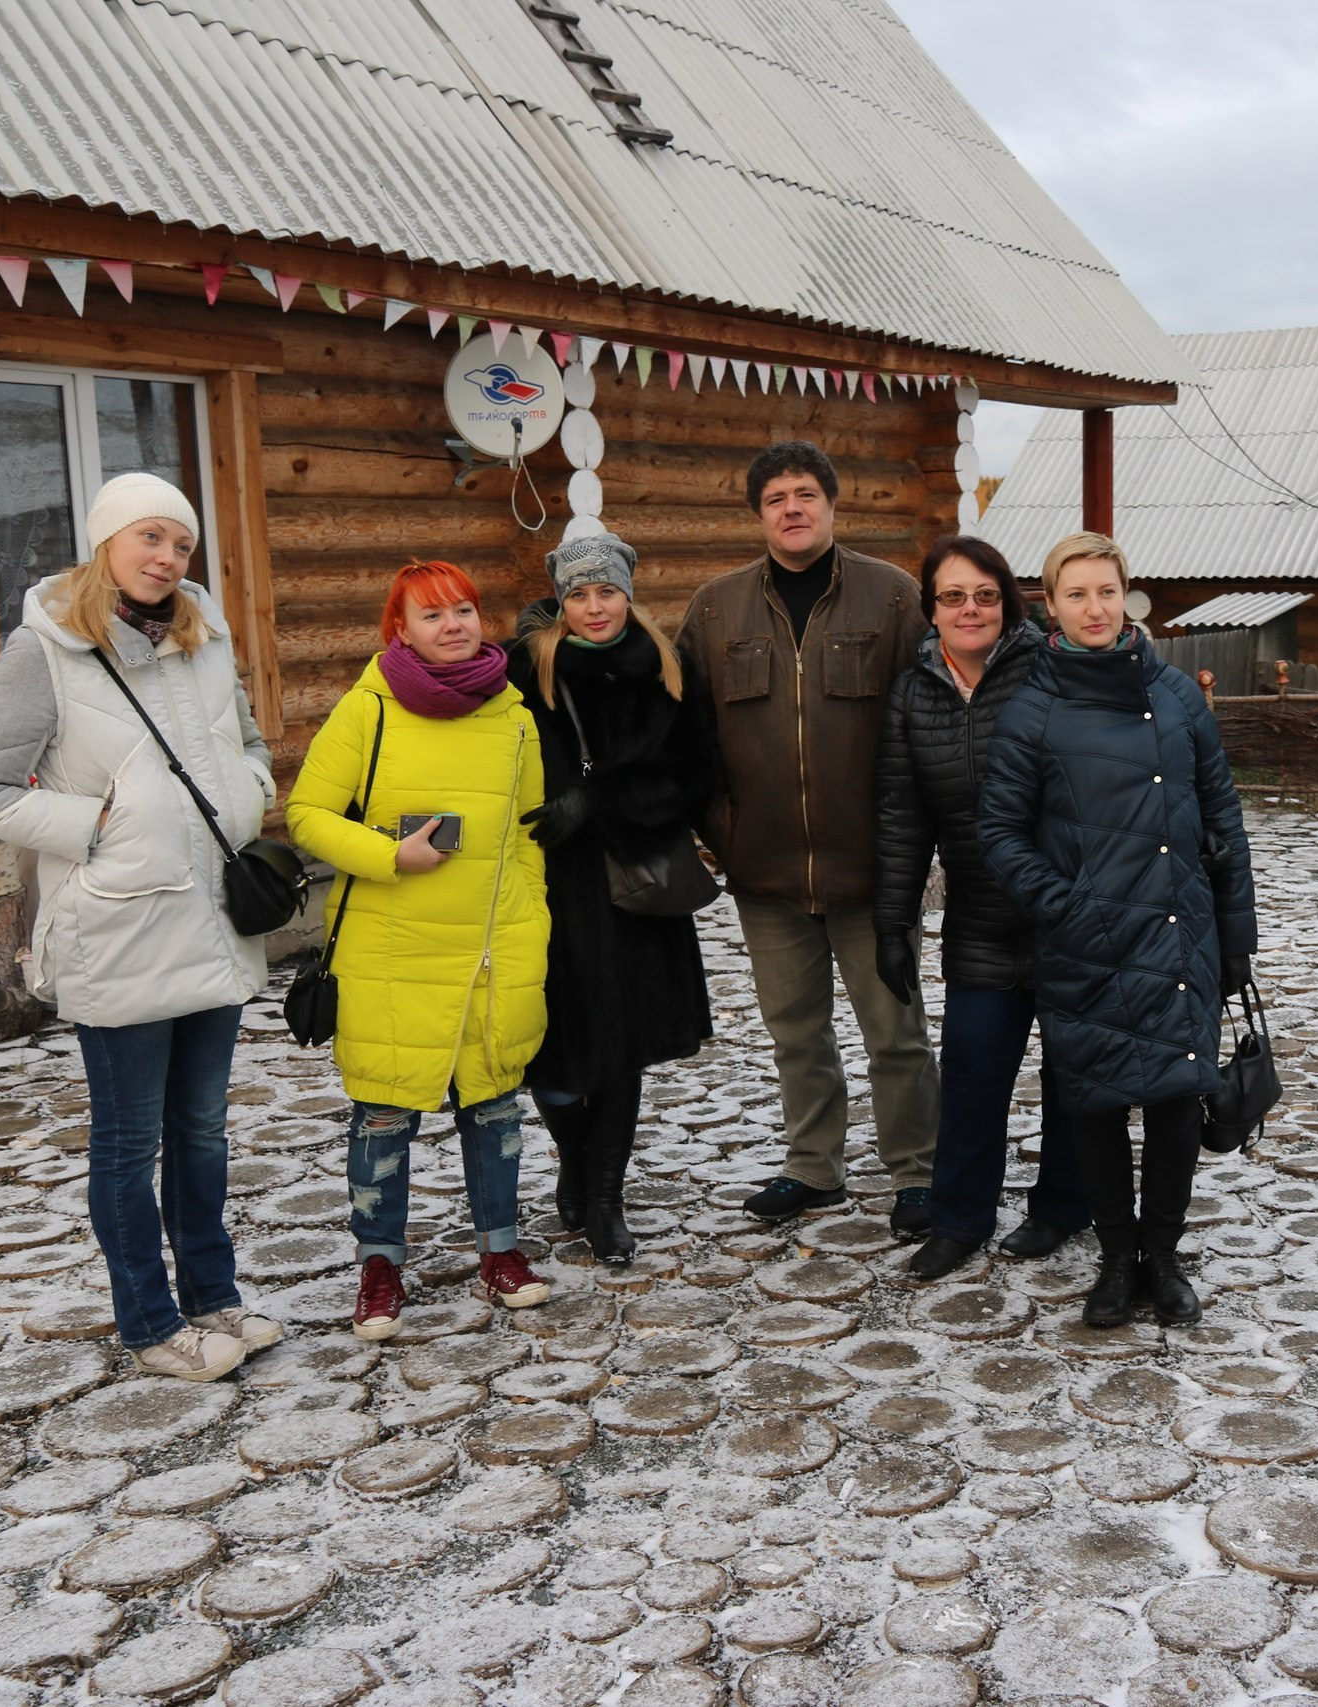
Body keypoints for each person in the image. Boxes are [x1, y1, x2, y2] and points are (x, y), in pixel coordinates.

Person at [0, 473, 279, 1380]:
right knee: (131, 1144)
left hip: (210, 921)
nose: (167, 558)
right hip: (118, 929)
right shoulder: (46, 649)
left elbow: (248, 743)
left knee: (203, 1130)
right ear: (107, 544)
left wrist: (250, 795)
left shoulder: (204, 637)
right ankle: (149, 1321)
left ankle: (214, 1297)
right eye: (150, 539)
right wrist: (95, 827)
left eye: (180, 543)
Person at [981, 533, 1258, 1330]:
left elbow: (1222, 817)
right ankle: (1114, 1260)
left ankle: (1162, 1260)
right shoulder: (1033, 707)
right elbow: (1000, 831)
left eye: (1107, 591)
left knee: (1176, 1105)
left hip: (1180, 933)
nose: (1094, 608)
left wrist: (1235, 933)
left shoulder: (1175, 696)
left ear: (1126, 596)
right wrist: (1062, 904)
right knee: (1095, 1106)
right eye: (1077, 594)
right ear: (1052, 606)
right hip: (1087, 941)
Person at [676, 442, 939, 1235]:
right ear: (758, 514)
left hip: (872, 868)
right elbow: (688, 733)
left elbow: (925, 723)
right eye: (775, 498)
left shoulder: (892, 598)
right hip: (766, 870)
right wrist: (718, 827)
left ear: (832, 504)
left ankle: (917, 1172)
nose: (792, 508)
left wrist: (911, 842)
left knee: (895, 1032)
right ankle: (813, 1167)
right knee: (796, 1031)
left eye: (805, 494)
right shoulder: (716, 609)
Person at [286, 561, 551, 1340]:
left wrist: (528, 916)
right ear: (399, 629)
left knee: (496, 1108)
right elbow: (306, 814)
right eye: (432, 615)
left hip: (488, 951)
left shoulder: (513, 714)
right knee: (382, 1115)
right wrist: (388, 855)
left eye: (464, 609)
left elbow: (528, 831)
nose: (454, 625)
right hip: (391, 948)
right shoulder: (367, 708)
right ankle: (379, 1268)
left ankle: (501, 1253)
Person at [874, 536, 1091, 1281]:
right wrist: (891, 921)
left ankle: (1063, 1205)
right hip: (979, 916)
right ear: (930, 610)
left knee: (1072, 1072)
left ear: (1008, 601)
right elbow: (904, 816)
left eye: (985, 594)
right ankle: (959, 1217)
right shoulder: (915, 691)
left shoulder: (1051, 670)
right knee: (971, 1072)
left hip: (1065, 909)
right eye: (953, 596)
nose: (970, 609)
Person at [507, 532, 717, 1264]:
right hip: (550, 881)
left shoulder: (665, 667)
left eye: (606, 591)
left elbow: (696, 772)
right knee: (554, 1045)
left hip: (632, 879)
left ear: (629, 591)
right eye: (579, 594)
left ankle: (604, 1195)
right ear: (560, 601)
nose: (594, 607)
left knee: (620, 1043)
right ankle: (573, 1154)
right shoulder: (525, 666)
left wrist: (600, 800)